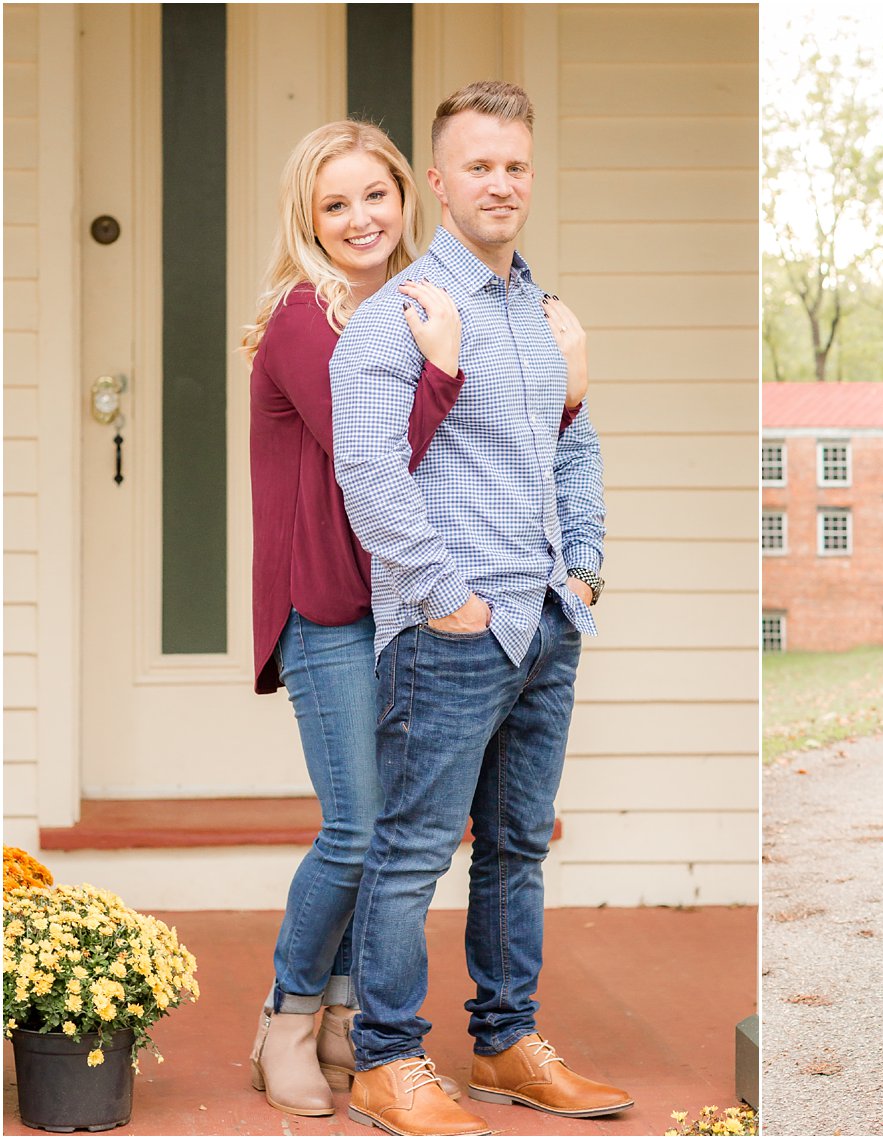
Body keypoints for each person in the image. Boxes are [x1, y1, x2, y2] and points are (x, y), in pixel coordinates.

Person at [243, 119, 586, 1119]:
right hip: (332, 604)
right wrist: (440, 365)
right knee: (358, 831)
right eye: (334, 203)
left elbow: (497, 445)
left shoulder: (420, 303)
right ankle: (286, 1018)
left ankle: (354, 1016)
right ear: (307, 219)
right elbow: (380, 462)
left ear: (408, 197)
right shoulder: (311, 320)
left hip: (406, 608)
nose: (360, 218)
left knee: (394, 827)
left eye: (374, 196)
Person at [330, 81, 626, 1136]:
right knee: (411, 849)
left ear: (527, 179)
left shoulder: (545, 316)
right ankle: (386, 1059)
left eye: (515, 166)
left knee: (515, 847)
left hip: (545, 621)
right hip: (449, 633)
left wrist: (583, 570)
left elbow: (571, 439)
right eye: (478, 165)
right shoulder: (393, 317)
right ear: (439, 182)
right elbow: (370, 474)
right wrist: (444, 595)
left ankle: (503, 1040)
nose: (499, 183)